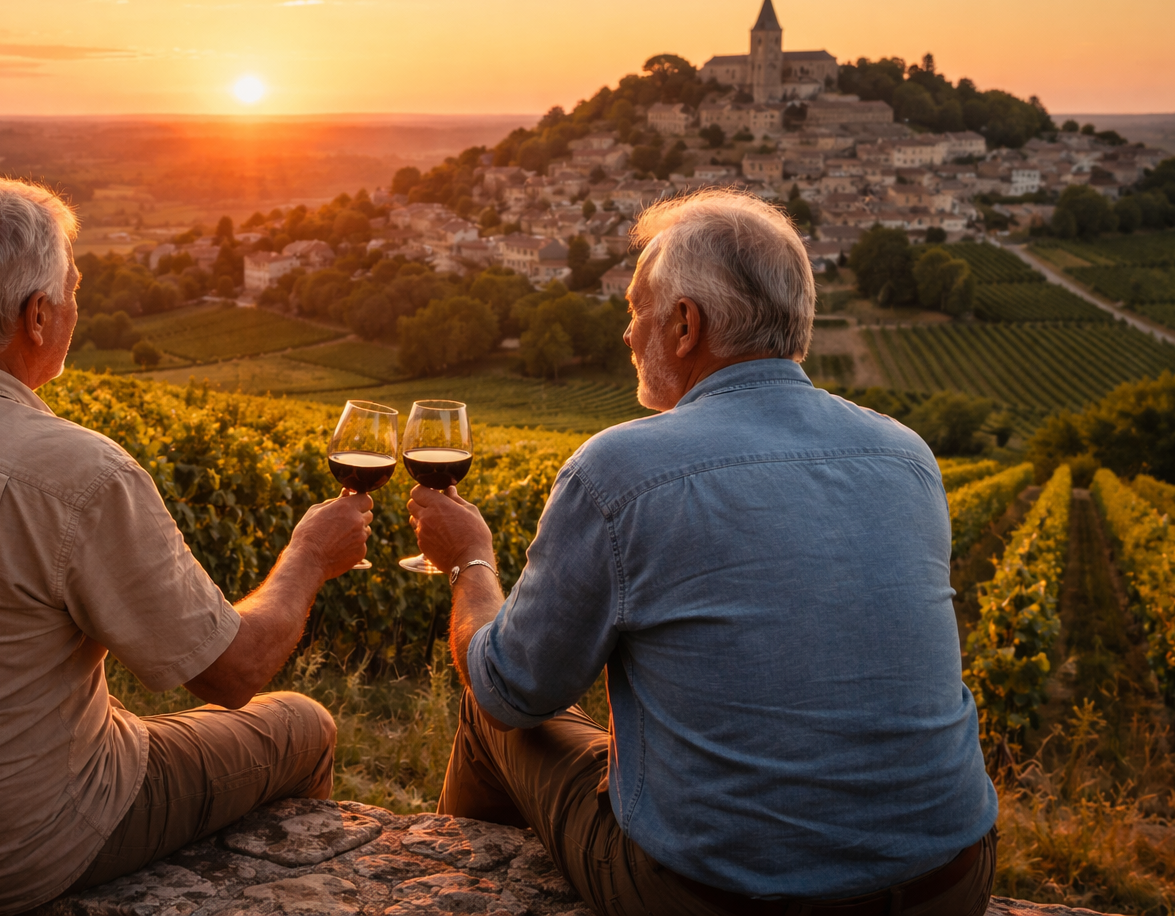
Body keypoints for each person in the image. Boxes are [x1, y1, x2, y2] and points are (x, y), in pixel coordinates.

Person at [0, 176, 373, 915]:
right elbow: (233, 673)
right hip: (4, 851)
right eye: (73, 289)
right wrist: (310, 555)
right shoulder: (77, 472)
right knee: (301, 725)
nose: (75, 307)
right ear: (37, 316)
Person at [408, 190, 997, 916]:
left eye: (637, 309)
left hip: (719, 897)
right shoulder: (908, 456)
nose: (628, 333)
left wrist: (469, 561)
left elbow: (511, 688)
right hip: (951, 883)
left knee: (484, 707)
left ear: (686, 324)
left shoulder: (620, 471)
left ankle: (455, 893)